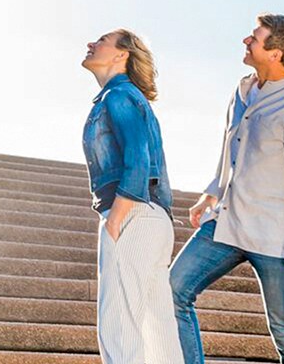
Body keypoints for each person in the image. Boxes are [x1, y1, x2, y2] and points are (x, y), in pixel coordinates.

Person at [171, 14, 284, 364]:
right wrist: (211, 192)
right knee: (172, 292)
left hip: (274, 234)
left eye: (256, 38)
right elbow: (231, 148)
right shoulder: (243, 89)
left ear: (275, 53)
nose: (246, 40)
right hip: (226, 221)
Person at [80, 29, 183, 364]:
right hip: (155, 219)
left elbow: (137, 158)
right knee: (159, 332)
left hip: (132, 214)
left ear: (121, 54)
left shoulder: (118, 96)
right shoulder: (130, 96)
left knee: (120, 326)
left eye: (102, 40)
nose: (91, 43)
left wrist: (116, 218)